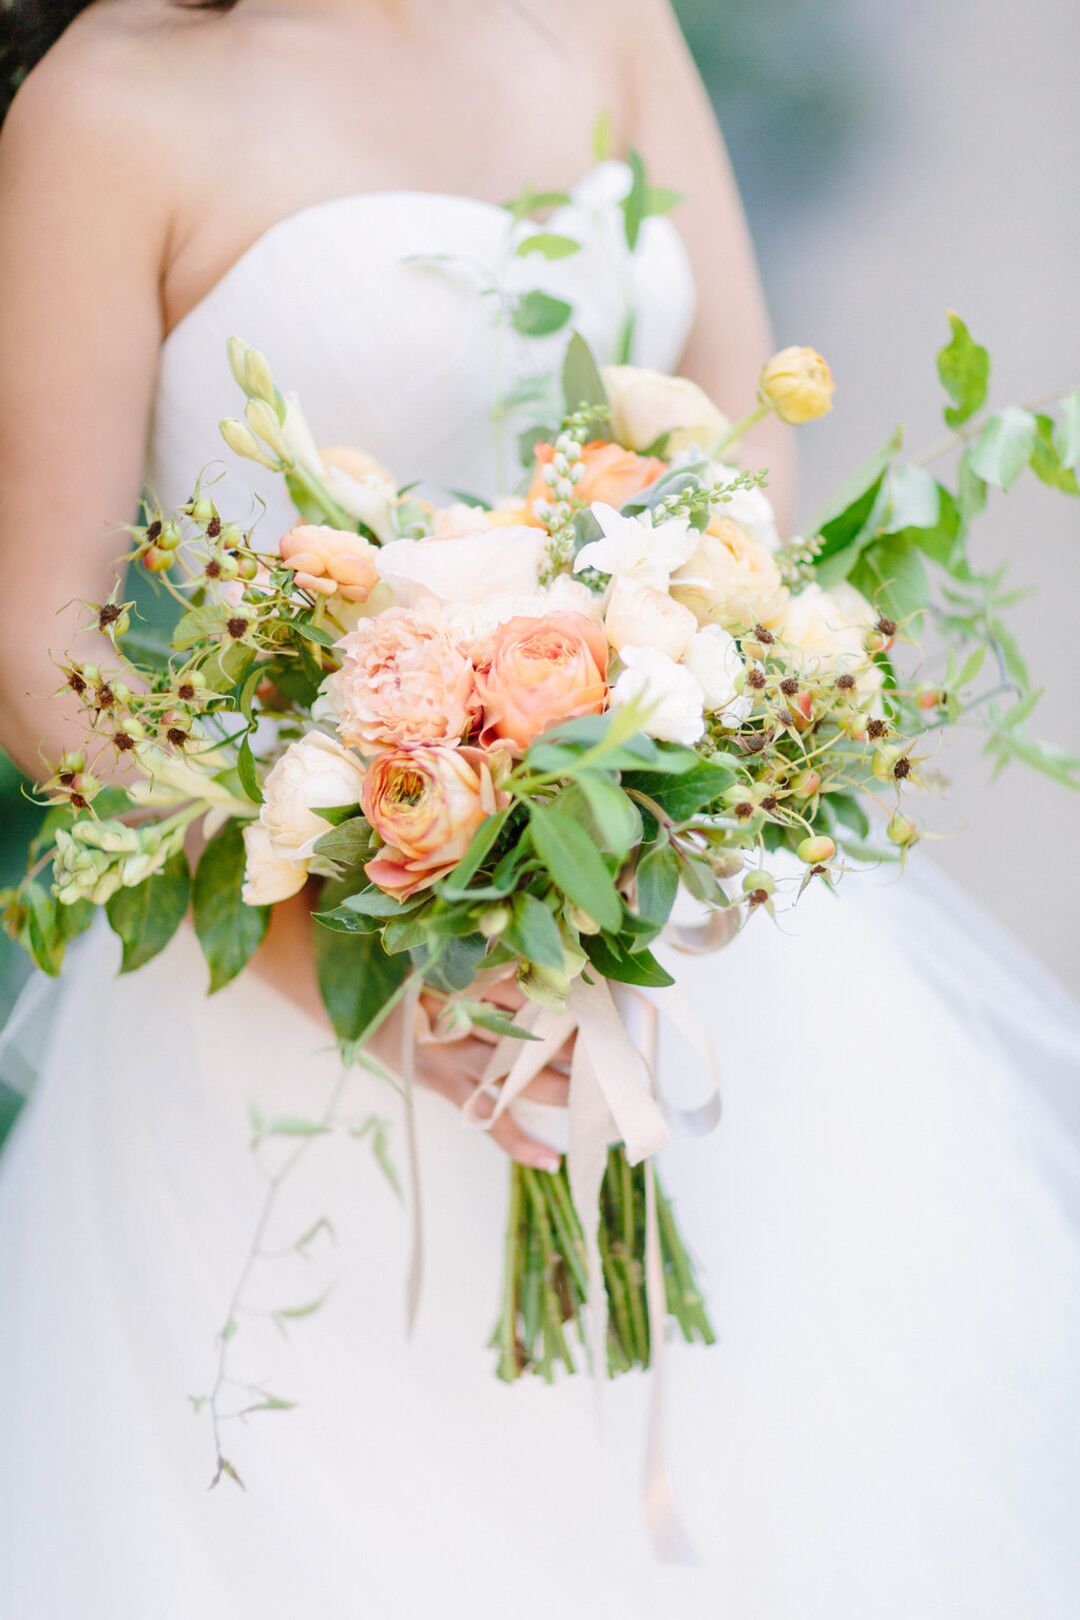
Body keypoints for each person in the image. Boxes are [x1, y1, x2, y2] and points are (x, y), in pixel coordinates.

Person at [0, 4, 1078, 1617]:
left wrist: (664, 749)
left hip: (668, 935)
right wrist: (359, 940)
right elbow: (44, 634)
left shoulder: (606, 16)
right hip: (291, 989)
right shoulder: (117, 100)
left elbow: (737, 441)